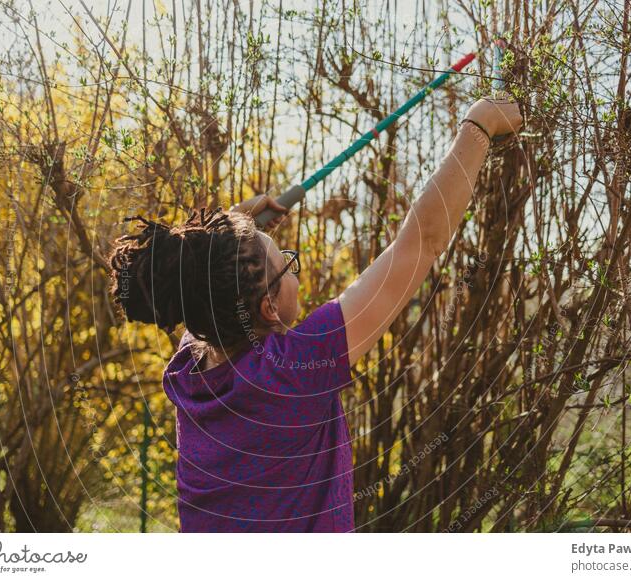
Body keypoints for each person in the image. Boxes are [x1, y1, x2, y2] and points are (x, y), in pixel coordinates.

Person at [108, 97, 523, 532]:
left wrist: (240, 227)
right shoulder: (292, 372)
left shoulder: (190, 364)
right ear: (268, 307)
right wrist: (480, 123)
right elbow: (422, 241)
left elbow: (199, 280)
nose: (294, 267)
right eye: (288, 262)